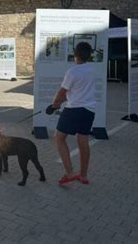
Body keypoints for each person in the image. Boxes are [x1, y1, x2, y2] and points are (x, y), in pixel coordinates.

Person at [52, 42, 96, 185]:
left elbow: (62, 92)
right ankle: (83, 175)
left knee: (59, 138)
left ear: (75, 54)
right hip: (89, 110)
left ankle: (69, 172)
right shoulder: (91, 70)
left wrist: (55, 103)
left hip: (73, 109)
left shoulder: (72, 71)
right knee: (83, 141)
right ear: (89, 55)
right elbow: (75, 92)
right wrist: (61, 101)